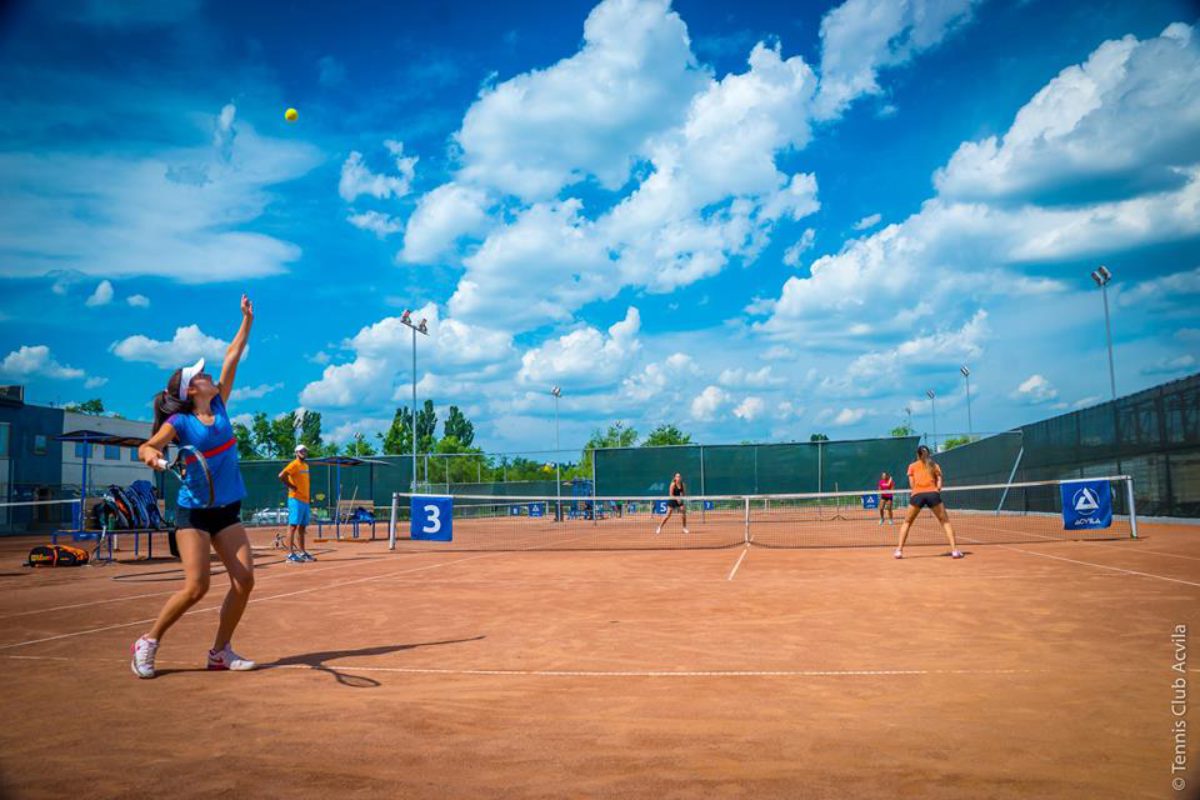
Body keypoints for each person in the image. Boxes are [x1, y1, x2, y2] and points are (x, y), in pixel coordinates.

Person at [131, 294, 256, 678]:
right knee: (197, 586)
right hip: (194, 513)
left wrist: (246, 321)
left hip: (227, 510)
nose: (209, 377)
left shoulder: (219, 405)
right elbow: (147, 446)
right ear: (191, 391)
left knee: (245, 581)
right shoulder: (181, 424)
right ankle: (148, 642)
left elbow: (232, 355)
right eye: (201, 376)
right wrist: (152, 456)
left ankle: (219, 652)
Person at [894, 445, 962, 559]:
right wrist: (938, 488)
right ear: (929, 454)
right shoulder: (934, 465)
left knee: (907, 522)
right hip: (933, 495)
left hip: (917, 496)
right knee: (945, 522)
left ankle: (899, 551)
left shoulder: (912, 466)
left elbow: (912, 484)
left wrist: (918, 489)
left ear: (917, 454)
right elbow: (939, 479)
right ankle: (954, 551)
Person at [279, 444, 315, 563]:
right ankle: (290, 554)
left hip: (305, 500)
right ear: (296, 453)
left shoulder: (305, 465)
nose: (304, 452)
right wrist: (292, 486)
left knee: (302, 527)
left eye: (305, 451)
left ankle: (302, 552)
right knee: (293, 526)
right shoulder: (294, 464)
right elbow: (281, 476)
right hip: (295, 499)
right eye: (301, 451)